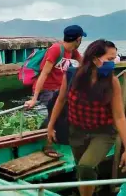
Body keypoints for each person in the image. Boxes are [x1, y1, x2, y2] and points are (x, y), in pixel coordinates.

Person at [47, 39, 126, 196]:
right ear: (95, 59)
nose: (113, 63)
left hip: (103, 133)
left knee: (86, 166)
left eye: (115, 58)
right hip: (77, 131)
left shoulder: (112, 82)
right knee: (82, 172)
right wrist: (51, 125)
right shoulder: (71, 76)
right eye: (110, 59)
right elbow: (61, 100)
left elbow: (119, 117)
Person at [24, 25, 85, 157]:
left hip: (59, 88)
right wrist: (34, 98)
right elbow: (44, 73)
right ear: (78, 39)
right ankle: (47, 145)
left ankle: (55, 136)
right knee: (55, 113)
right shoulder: (56, 49)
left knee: (68, 109)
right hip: (45, 88)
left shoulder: (73, 52)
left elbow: (84, 64)